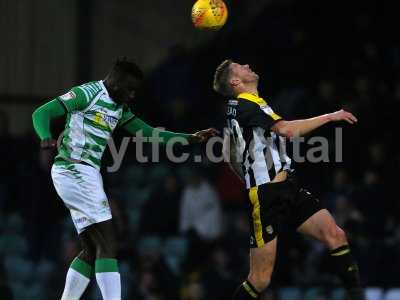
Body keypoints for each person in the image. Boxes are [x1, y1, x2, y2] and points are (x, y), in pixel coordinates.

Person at [32, 57, 217, 300]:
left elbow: (150, 134)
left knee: (91, 248)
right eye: (130, 90)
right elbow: (41, 112)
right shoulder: (87, 94)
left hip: (86, 174)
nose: (132, 96)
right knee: (109, 241)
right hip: (73, 169)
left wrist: (191, 138)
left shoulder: (119, 108)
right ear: (117, 84)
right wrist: (45, 135)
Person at [213, 59, 364, 300]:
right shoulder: (246, 104)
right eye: (241, 67)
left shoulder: (234, 107)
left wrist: (247, 175)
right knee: (260, 280)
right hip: (268, 196)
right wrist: (331, 116)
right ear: (235, 81)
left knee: (335, 235)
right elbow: (287, 130)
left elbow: (227, 151)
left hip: (288, 188)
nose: (248, 65)